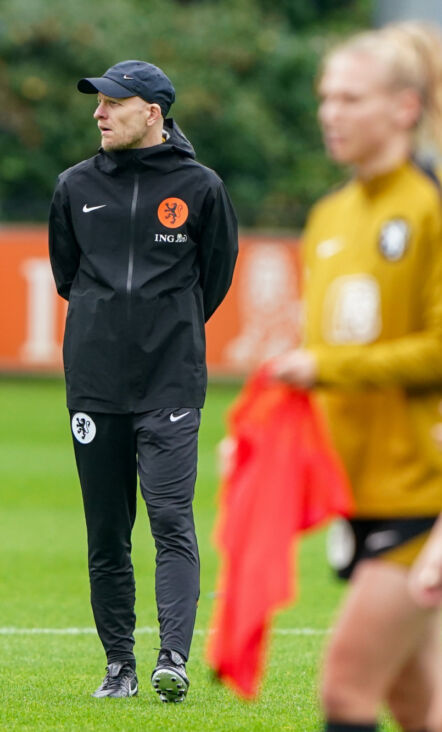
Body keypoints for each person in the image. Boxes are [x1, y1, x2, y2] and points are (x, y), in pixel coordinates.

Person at [47, 59, 238, 702]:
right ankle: (119, 667)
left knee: (170, 520)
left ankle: (174, 658)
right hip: (95, 385)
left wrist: (163, 328)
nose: (98, 113)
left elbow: (213, 278)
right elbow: (68, 276)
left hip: (170, 382)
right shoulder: (73, 187)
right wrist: (110, 328)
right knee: (106, 530)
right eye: (97, 102)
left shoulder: (202, 187)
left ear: (151, 113)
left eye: (112, 102)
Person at [270, 22, 442, 732]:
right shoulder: (329, 217)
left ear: (405, 107)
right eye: (325, 97)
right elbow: (330, 370)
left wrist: (325, 367)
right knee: (417, 706)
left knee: (345, 688)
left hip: (422, 493)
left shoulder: (429, 205)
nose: (330, 113)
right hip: (359, 493)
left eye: (351, 98)